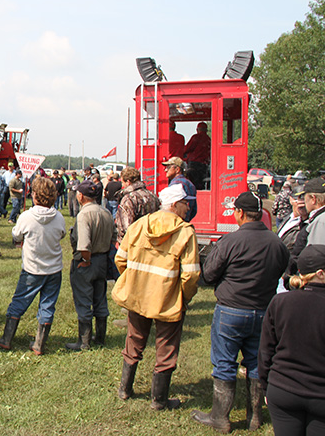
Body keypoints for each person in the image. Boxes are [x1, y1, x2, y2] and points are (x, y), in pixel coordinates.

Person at [192, 191, 289, 433]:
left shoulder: (230, 241)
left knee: (224, 362)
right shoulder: (277, 242)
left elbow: (209, 274)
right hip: (263, 311)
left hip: (231, 310)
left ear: (240, 213)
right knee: (257, 362)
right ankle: (254, 417)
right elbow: (282, 272)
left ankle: (220, 417)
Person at [112, 184, 200, 410]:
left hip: (138, 296)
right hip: (168, 301)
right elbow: (191, 275)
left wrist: (135, 281)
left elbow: (120, 259)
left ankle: (124, 390)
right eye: (184, 203)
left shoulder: (140, 225)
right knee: (166, 348)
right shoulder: (186, 232)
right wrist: (182, 298)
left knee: (134, 340)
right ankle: (159, 400)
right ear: (173, 205)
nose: (188, 206)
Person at [0, 177, 66, 355]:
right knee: (48, 305)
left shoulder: (26, 216)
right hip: (54, 269)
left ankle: (7, 339)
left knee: (19, 302)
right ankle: (39, 344)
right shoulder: (59, 217)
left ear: (34, 196)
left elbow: (16, 236)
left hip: (32, 269)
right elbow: (62, 234)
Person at [258, 244, 325, 436]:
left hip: (283, 389)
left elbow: (265, 351)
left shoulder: (280, 302)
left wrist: (266, 387)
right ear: (320, 273)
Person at [65, 179, 114, 351]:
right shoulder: (106, 212)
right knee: (100, 299)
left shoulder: (84, 215)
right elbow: (113, 238)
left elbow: (84, 244)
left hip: (88, 260)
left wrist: (85, 261)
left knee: (84, 300)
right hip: (102, 260)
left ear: (81, 196)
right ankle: (100, 338)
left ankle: (83, 341)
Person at [115, 167, 160, 243]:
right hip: (152, 240)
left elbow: (126, 227)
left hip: (134, 243)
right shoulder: (152, 195)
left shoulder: (128, 199)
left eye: (122, 182)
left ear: (128, 182)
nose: (122, 185)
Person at [162, 157, 197, 222]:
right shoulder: (190, 184)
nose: (165, 170)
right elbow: (194, 210)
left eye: (168, 167)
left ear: (177, 169)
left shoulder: (176, 185)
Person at [183, 122, 211, 190]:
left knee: (193, 184)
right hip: (204, 165)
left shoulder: (195, 137)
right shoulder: (209, 139)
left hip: (194, 165)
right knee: (201, 184)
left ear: (197, 129)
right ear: (206, 130)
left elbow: (187, 149)